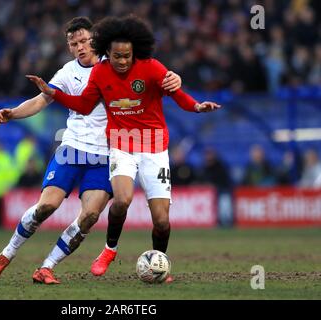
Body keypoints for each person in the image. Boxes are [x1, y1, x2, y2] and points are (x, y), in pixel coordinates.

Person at [0, 16, 182, 284]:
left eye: (84, 41)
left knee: (89, 216)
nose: (80, 47)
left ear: (95, 39)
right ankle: (7, 254)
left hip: (105, 156)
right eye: (74, 43)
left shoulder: (116, 65)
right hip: (72, 150)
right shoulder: (67, 72)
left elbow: (153, 72)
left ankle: (47, 267)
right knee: (47, 206)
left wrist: (175, 78)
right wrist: (14, 113)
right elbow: (42, 99)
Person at [27, 15, 220, 282]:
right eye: (117, 56)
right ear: (107, 52)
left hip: (153, 146)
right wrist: (52, 92)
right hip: (121, 143)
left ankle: (158, 265)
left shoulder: (151, 68)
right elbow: (83, 105)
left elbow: (178, 95)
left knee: (162, 221)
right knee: (122, 200)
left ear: (135, 52)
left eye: (127, 55)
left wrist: (197, 106)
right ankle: (109, 249)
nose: (123, 61)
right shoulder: (100, 72)